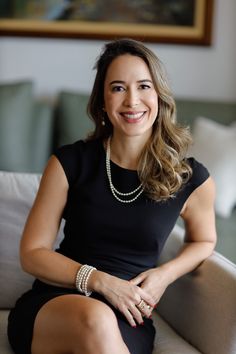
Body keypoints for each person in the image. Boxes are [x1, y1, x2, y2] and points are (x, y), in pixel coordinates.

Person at [7, 38, 217, 354]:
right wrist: (100, 281)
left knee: (103, 325)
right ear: (102, 101)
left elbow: (204, 241)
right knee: (95, 319)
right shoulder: (69, 163)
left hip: (128, 315)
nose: (132, 100)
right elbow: (32, 253)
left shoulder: (189, 178)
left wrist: (164, 275)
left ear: (159, 96)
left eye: (144, 86)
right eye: (118, 88)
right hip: (55, 306)